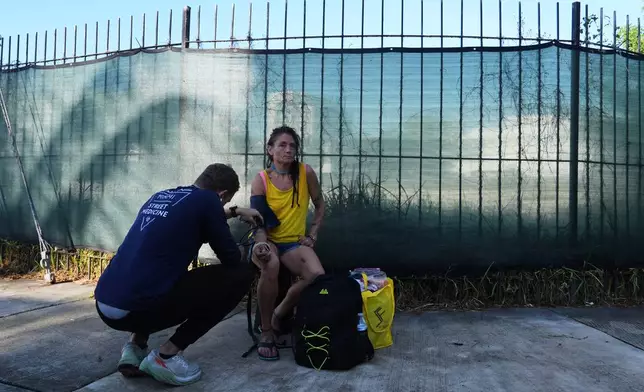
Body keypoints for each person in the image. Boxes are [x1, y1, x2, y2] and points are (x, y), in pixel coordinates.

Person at [94, 163, 262, 386]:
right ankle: (166, 356)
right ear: (221, 194)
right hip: (138, 310)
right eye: (226, 201)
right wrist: (250, 247)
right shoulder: (209, 201)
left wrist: (234, 211)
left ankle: (135, 347)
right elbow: (230, 258)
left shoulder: (163, 197)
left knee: (157, 273)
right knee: (241, 274)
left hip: (106, 303)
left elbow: (196, 214)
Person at [249, 126, 326, 361]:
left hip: (294, 243)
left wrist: (312, 234)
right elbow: (259, 221)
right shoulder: (261, 179)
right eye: (282, 145)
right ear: (269, 149)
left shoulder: (305, 173)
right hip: (268, 240)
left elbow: (320, 203)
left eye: (292, 145)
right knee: (270, 265)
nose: (288, 149)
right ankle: (266, 332)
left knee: (317, 275)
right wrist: (261, 245)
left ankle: (278, 314)